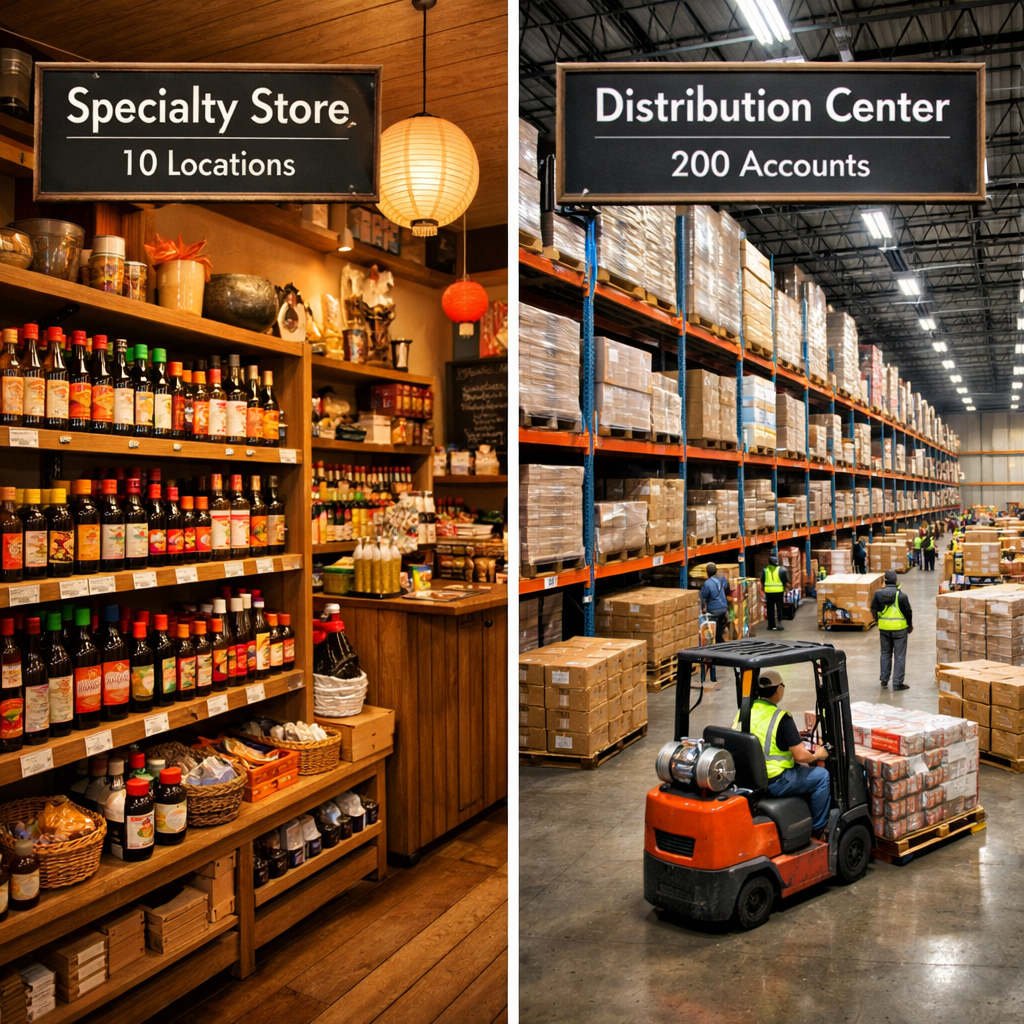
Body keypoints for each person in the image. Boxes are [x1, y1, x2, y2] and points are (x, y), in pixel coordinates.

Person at [733, 669, 831, 838]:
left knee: (802, 767)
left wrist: (792, 737)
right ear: (779, 690)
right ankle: (819, 829)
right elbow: (801, 755)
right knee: (822, 776)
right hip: (776, 781)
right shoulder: (782, 718)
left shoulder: (744, 712)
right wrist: (818, 754)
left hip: (749, 777)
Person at [871, 568, 913, 691]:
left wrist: (877, 621)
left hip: (884, 628)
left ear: (885, 580)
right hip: (900, 630)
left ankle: (884, 679)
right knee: (899, 656)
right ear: (895, 580)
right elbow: (908, 612)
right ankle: (897, 683)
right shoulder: (901, 596)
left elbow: (873, 609)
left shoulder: (878, 594)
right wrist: (909, 626)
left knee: (885, 653)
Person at [699, 562, 732, 646]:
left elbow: (703, 597)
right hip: (724, 609)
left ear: (707, 572)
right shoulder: (721, 579)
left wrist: (703, 608)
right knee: (719, 631)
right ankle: (721, 646)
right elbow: (727, 587)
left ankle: (713, 648)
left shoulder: (707, 583)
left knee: (711, 632)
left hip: (713, 611)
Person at [760, 553, 788, 631]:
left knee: (770, 608)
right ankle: (779, 623)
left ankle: (771, 625)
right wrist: (785, 588)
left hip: (769, 592)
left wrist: (763, 589)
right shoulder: (782, 570)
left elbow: (762, 580)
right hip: (779, 592)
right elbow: (785, 580)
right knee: (779, 607)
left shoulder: (765, 570)